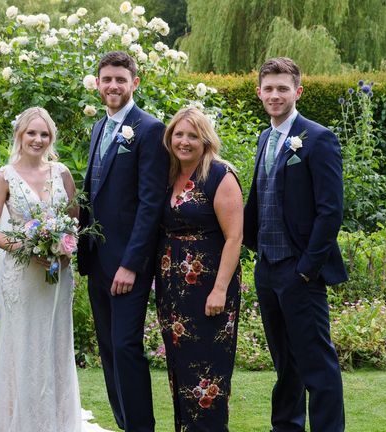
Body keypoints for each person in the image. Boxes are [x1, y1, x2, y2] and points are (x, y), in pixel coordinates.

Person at [0, 107, 110, 432]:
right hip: (21, 275)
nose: (37, 140)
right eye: (31, 133)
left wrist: (65, 247)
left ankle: (58, 421)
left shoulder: (61, 172)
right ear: (20, 136)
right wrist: (25, 247)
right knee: (23, 344)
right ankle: (21, 421)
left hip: (56, 274)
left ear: (50, 138)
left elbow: (74, 219)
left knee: (54, 342)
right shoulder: (4, 176)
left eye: (44, 134)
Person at [243, 57, 348, 431]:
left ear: (297, 92)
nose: (275, 95)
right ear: (259, 92)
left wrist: (306, 269)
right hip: (267, 269)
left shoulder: (318, 138)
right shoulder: (264, 137)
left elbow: (330, 211)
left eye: (282, 88)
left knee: (317, 363)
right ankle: (285, 426)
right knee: (284, 363)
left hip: (299, 270)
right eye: (268, 88)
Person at [78, 51, 170, 432]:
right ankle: (124, 423)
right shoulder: (101, 127)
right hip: (97, 260)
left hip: (127, 265)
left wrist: (132, 264)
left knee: (127, 348)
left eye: (120, 79)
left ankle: (140, 427)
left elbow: (151, 204)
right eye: (106, 79)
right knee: (110, 350)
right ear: (97, 84)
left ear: (135, 82)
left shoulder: (148, 129)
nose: (113, 86)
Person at [155, 107, 243, 431]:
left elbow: (235, 238)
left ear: (205, 139)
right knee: (182, 373)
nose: (184, 141)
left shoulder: (220, 176)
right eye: (179, 134)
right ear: (170, 138)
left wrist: (219, 289)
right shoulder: (168, 175)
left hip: (208, 292)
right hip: (173, 293)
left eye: (192, 135)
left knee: (208, 378)